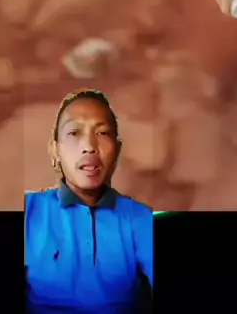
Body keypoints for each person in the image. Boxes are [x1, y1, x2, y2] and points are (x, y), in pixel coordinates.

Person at [25, 89, 153, 314]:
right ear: (55, 150)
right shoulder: (30, 210)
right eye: (74, 132)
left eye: (102, 133)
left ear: (117, 149)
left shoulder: (140, 218)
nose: (89, 146)